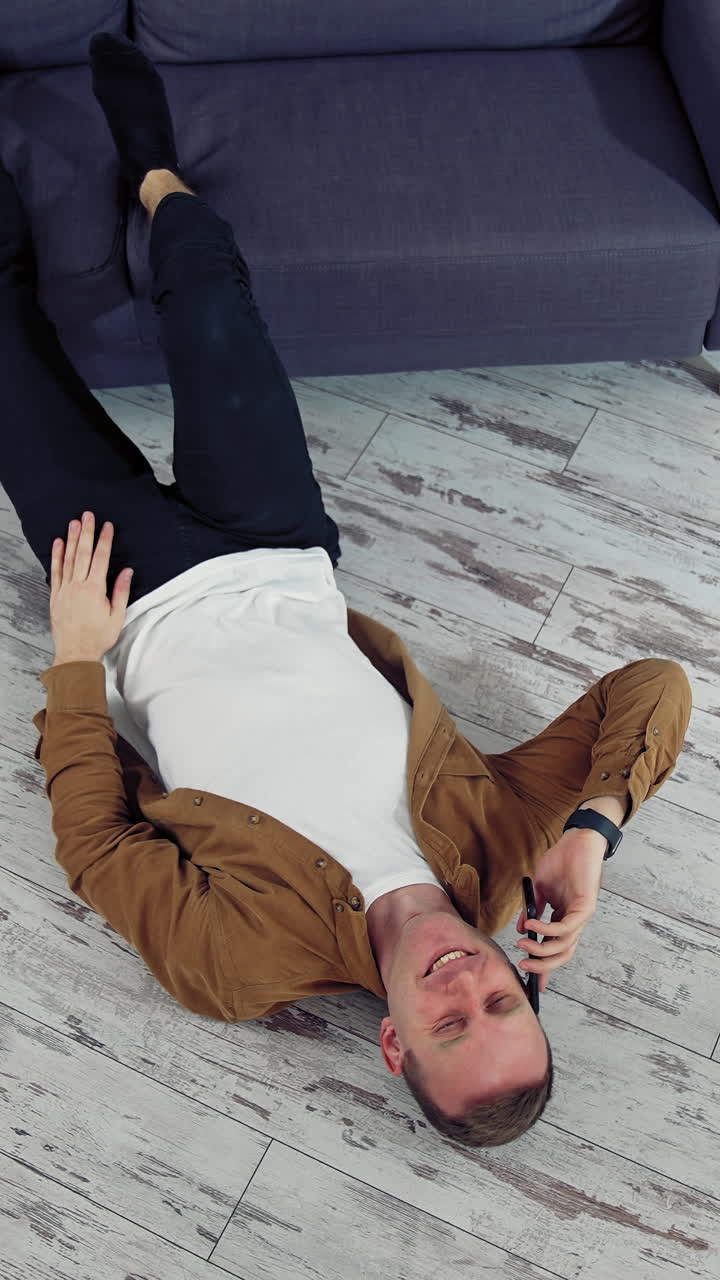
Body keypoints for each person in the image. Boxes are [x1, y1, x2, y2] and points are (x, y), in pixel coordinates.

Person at [2, 34, 692, 1149]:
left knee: (6, 357)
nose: (470, 981)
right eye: (505, 1000)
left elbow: (97, 846)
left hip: (129, 598)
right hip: (276, 542)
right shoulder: (508, 850)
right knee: (214, 303)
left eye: (452, 1021)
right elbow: (654, 686)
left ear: (394, 1043)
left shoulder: (241, 965)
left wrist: (79, 657)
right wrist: (593, 834)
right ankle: (154, 173)